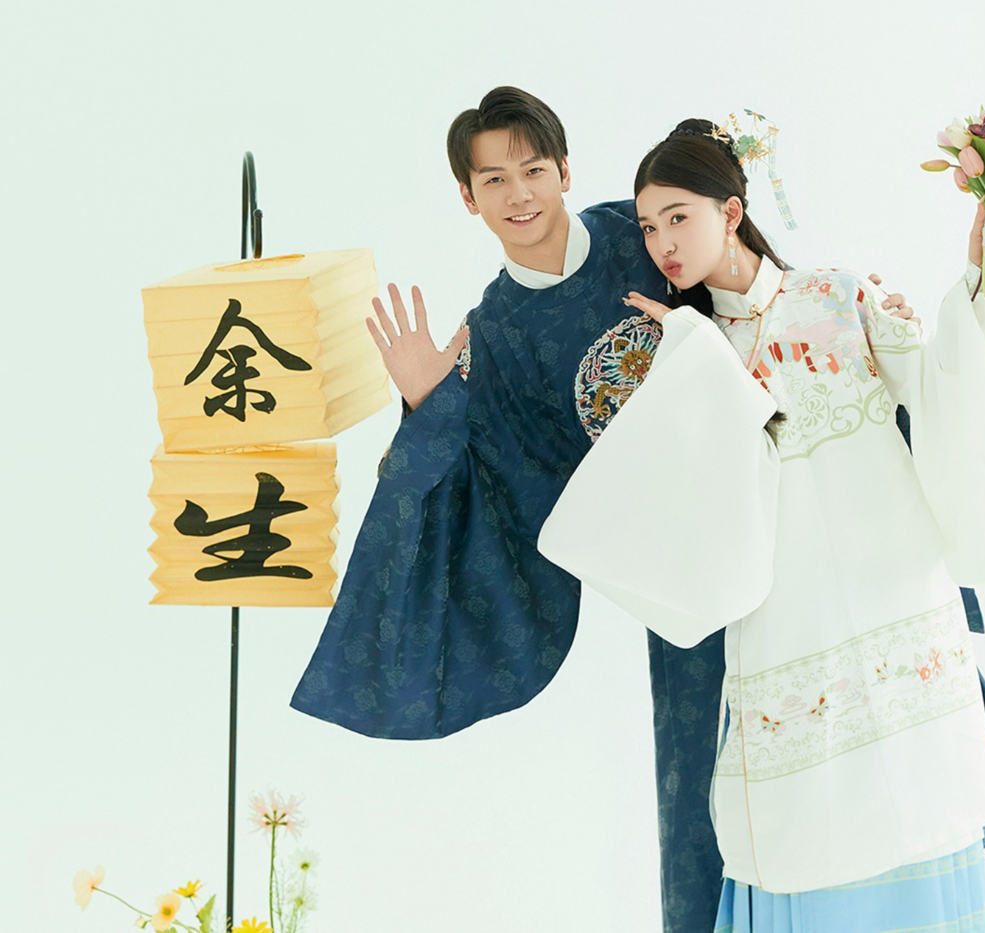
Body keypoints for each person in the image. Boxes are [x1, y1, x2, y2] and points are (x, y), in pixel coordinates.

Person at [290, 88, 918, 933]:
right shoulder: (495, 333)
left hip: (787, 502)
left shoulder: (639, 228)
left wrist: (845, 319)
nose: (519, 194)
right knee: (704, 771)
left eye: (533, 170)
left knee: (895, 681)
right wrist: (429, 405)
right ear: (468, 197)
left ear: (564, 170)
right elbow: (491, 486)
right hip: (684, 567)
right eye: (495, 179)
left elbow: (757, 296)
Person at [538, 120, 985, 931]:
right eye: (650, 226)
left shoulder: (838, 296)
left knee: (924, 799)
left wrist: (982, 276)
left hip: (894, 586)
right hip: (787, 617)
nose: (662, 242)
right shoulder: (685, 344)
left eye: (678, 217)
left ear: (731, 212)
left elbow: (937, 389)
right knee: (809, 832)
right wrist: (691, 354)